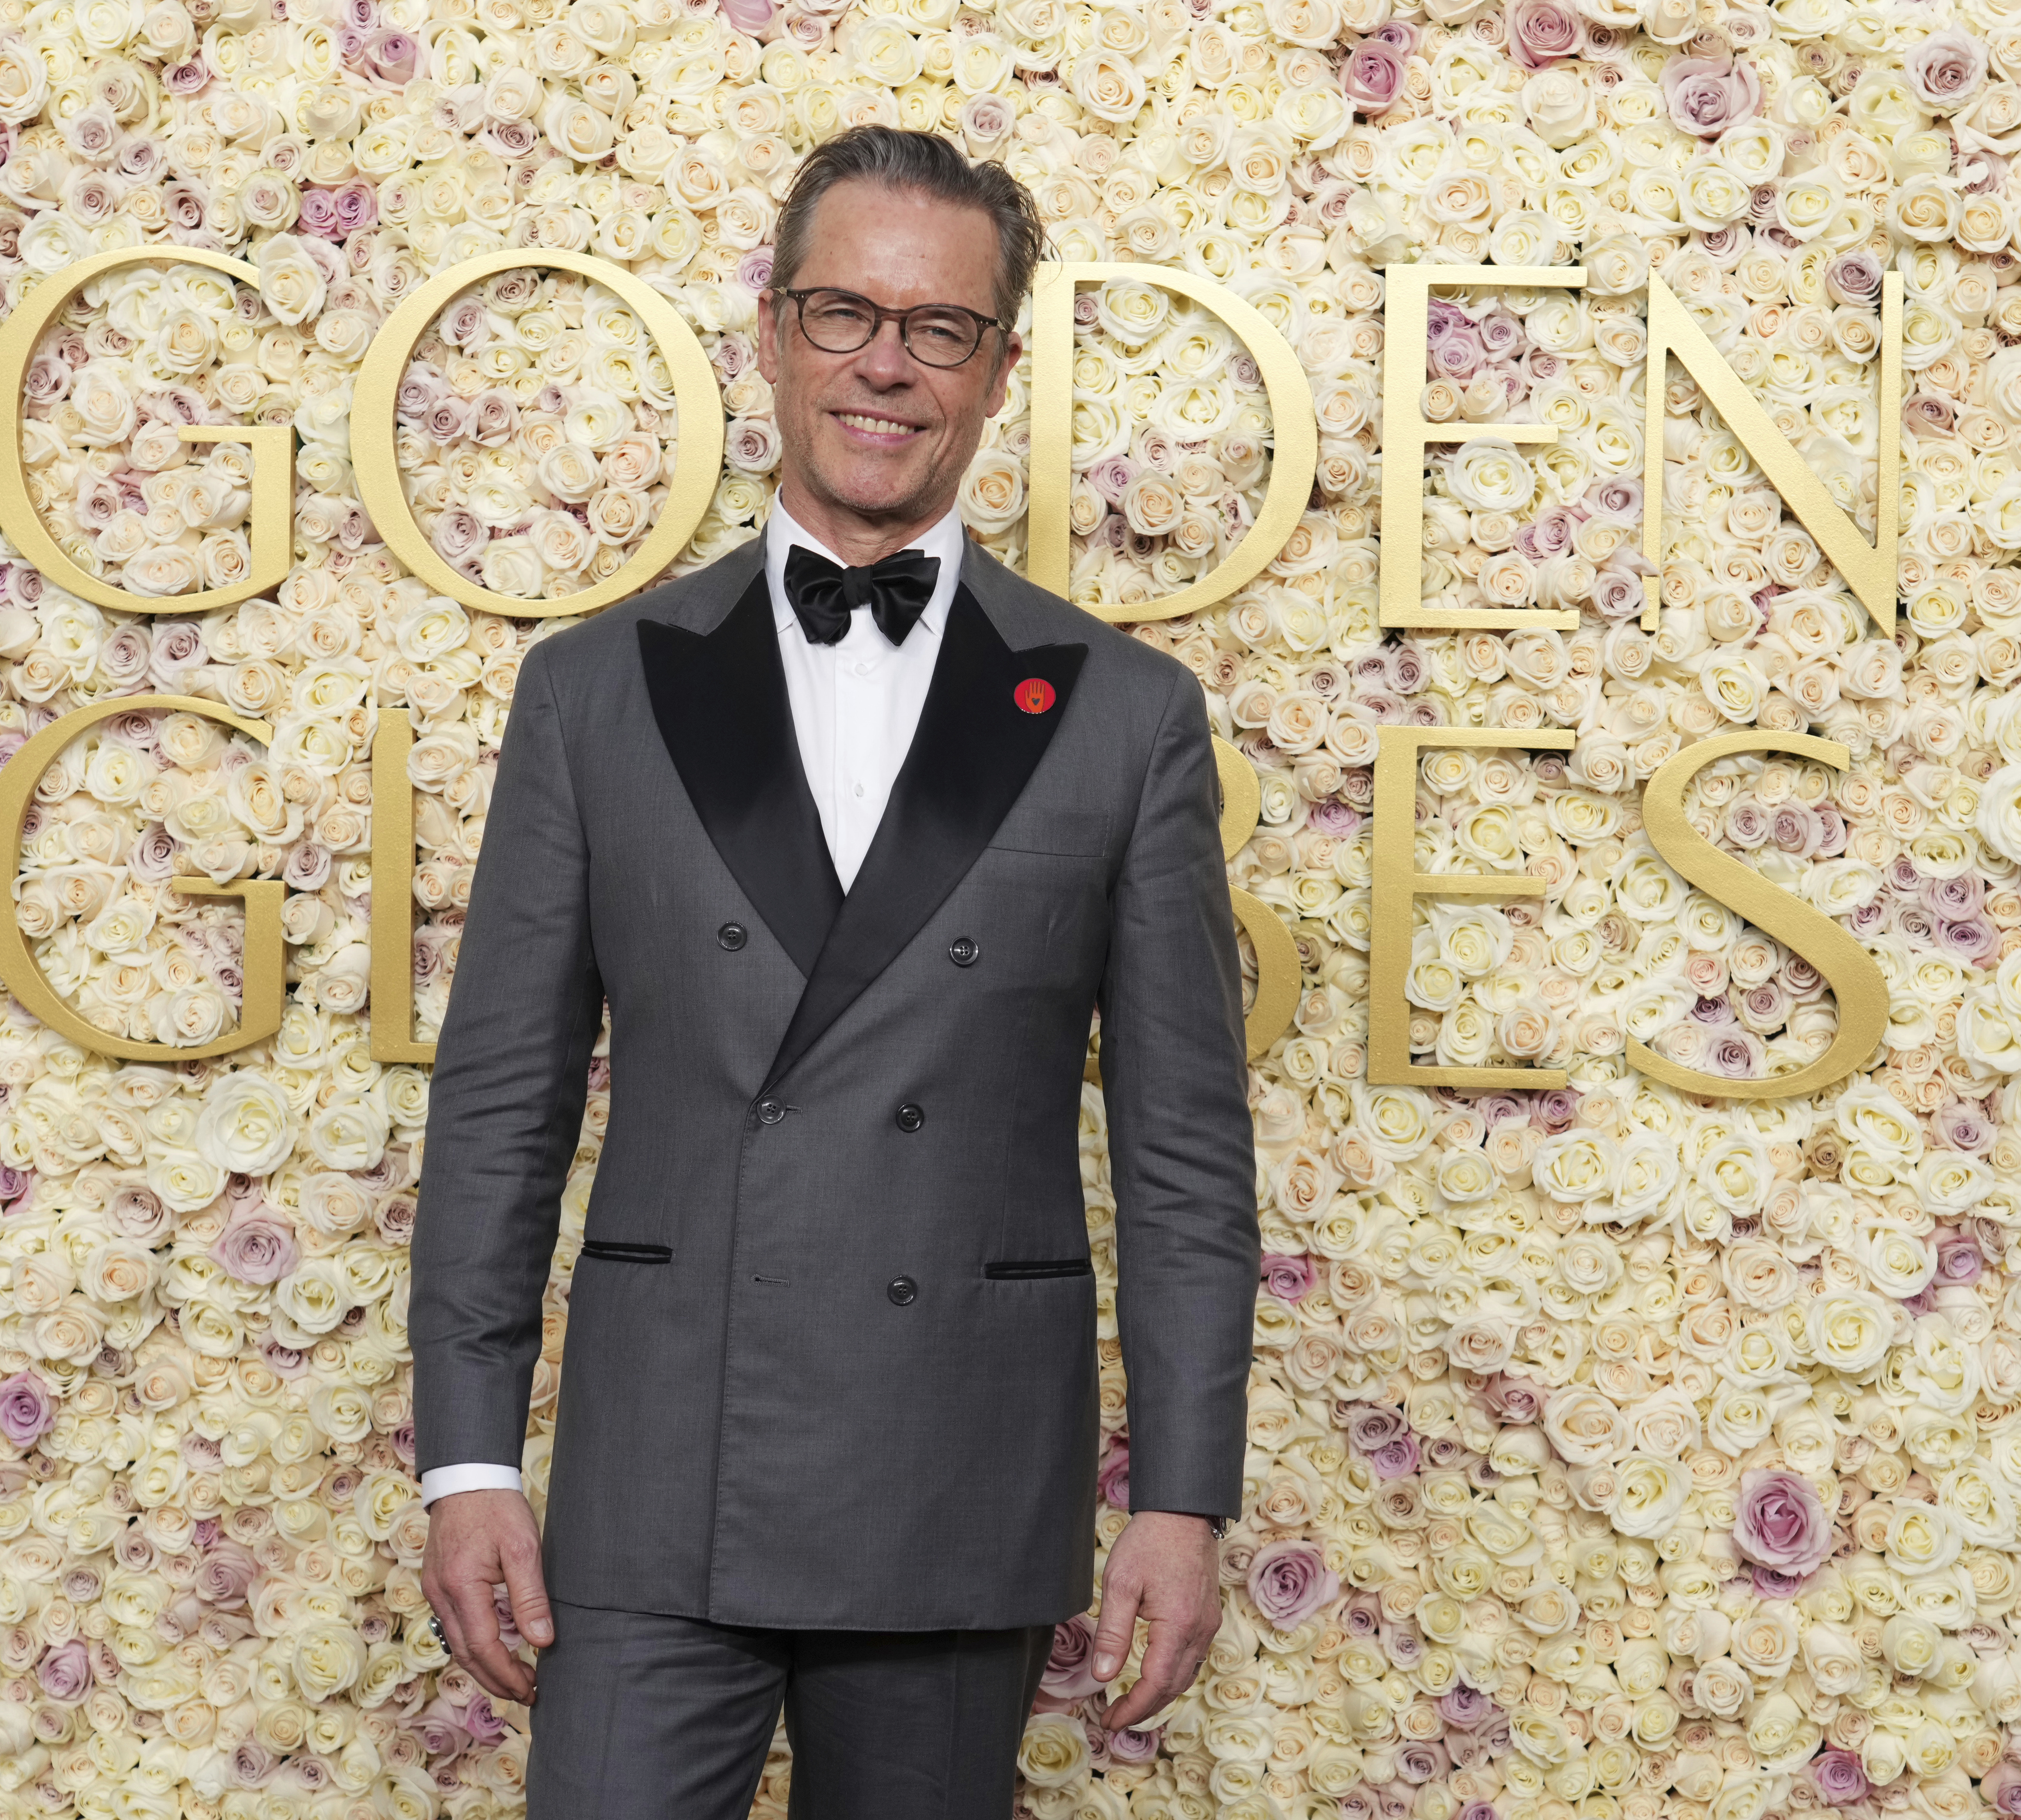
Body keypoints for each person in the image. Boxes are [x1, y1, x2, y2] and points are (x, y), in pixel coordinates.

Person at [407, 124, 1258, 1818]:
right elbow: (501, 1099)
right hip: (656, 1475)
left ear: (1001, 368)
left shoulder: (1122, 713)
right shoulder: (597, 692)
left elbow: (1180, 1155)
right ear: (774, 331)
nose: (887, 362)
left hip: (957, 1471)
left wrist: (1182, 1496)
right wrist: (472, 1455)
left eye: (940, 328)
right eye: (844, 312)